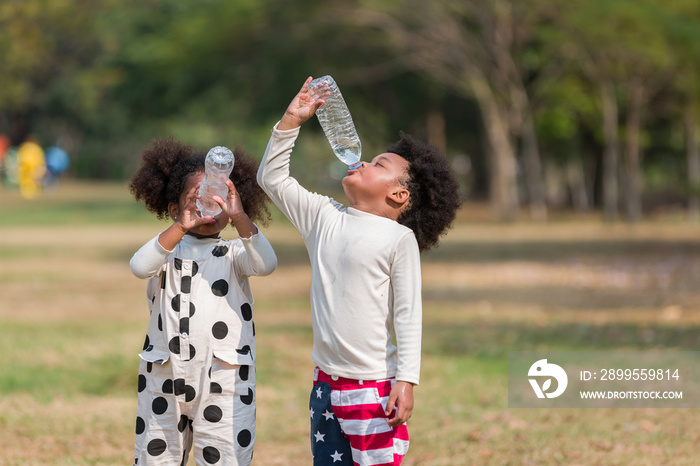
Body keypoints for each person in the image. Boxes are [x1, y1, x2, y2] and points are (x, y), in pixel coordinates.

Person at [257, 77, 462, 466]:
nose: (364, 160)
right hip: (325, 385)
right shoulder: (322, 216)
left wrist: (407, 379)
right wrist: (290, 121)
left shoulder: (397, 240)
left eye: (378, 164)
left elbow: (407, 314)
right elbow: (271, 179)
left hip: (374, 388)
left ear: (398, 194)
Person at [129, 136, 277, 466]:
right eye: (197, 198)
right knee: (157, 458)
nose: (208, 206)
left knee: (224, 457)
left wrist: (240, 218)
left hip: (223, 378)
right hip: (162, 375)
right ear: (173, 209)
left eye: (219, 198)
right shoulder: (165, 251)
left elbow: (266, 264)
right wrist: (180, 228)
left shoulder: (236, 253)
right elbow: (139, 267)